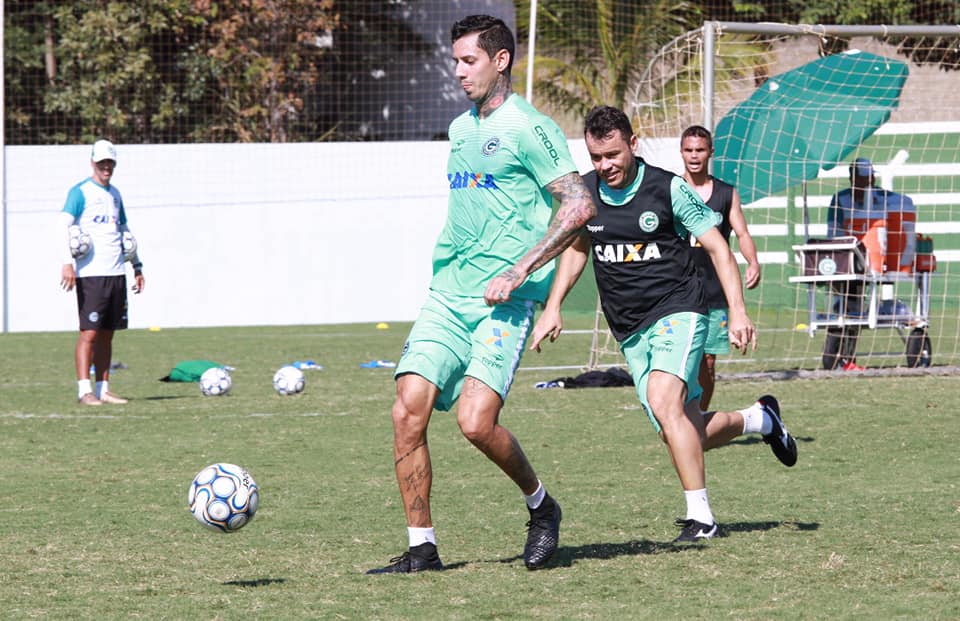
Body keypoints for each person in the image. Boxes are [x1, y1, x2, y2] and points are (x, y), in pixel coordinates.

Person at [367, 15, 597, 574]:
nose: (457, 71)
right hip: (447, 295)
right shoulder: (459, 129)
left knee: (475, 423)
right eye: (455, 61)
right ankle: (422, 547)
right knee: (406, 413)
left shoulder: (529, 127)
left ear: (500, 61)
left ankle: (542, 507)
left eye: (468, 60)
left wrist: (521, 271)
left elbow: (579, 206)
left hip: (503, 304)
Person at [530, 106, 797, 543]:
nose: (605, 166)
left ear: (633, 145)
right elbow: (578, 249)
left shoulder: (667, 188)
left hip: (680, 308)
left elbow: (717, 247)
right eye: (597, 157)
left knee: (663, 400)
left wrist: (738, 309)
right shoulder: (587, 193)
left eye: (613, 155)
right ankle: (760, 420)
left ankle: (702, 519)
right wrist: (553, 305)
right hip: (629, 327)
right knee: (680, 429)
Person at [680, 125, 761, 410]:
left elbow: (742, 234)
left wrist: (752, 261)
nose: (694, 156)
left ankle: (699, 417)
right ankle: (680, 418)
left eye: (699, 150)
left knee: (708, 361)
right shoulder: (671, 190)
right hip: (679, 289)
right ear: (681, 152)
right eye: (689, 150)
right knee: (682, 358)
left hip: (714, 289)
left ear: (710, 153)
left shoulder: (726, 193)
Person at [59, 139, 145, 405]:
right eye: (102, 163)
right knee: (89, 333)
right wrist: (67, 263)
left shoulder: (115, 195)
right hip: (91, 274)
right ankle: (83, 391)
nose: (106, 167)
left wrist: (137, 265)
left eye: (110, 163)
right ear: (92, 163)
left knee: (108, 333)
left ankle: (102, 390)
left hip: (117, 273)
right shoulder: (80, 192)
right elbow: (62, 226)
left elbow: (125, 233)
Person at [823, 158, 917, 371]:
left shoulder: (884, 200)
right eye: (859, 178)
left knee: (851, 303)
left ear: (873, 178)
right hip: (847, 262)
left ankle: (846, 356)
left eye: (867, 178)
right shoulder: (840, 200)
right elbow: (833, 233)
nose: (864, 183)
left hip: (878, 262)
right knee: (847, 303)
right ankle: (844, 356)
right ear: (851, 178)